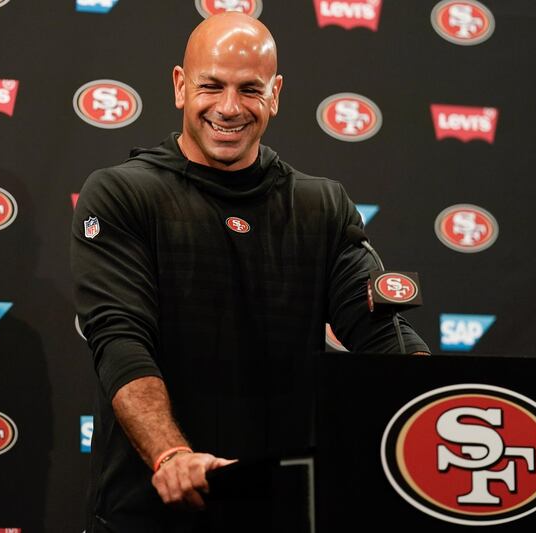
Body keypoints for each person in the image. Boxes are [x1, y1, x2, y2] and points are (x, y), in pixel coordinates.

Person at [70, 12, 429, 533]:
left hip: (283, 508)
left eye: (250, 89)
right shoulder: (122, 193)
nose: (230, 107)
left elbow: (381, 336)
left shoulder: (321, 205)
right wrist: (171, 456)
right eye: (211, 86)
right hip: (150, 507)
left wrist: (440, 401)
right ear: (179, 86)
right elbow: (120, 339)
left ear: (276, 93)